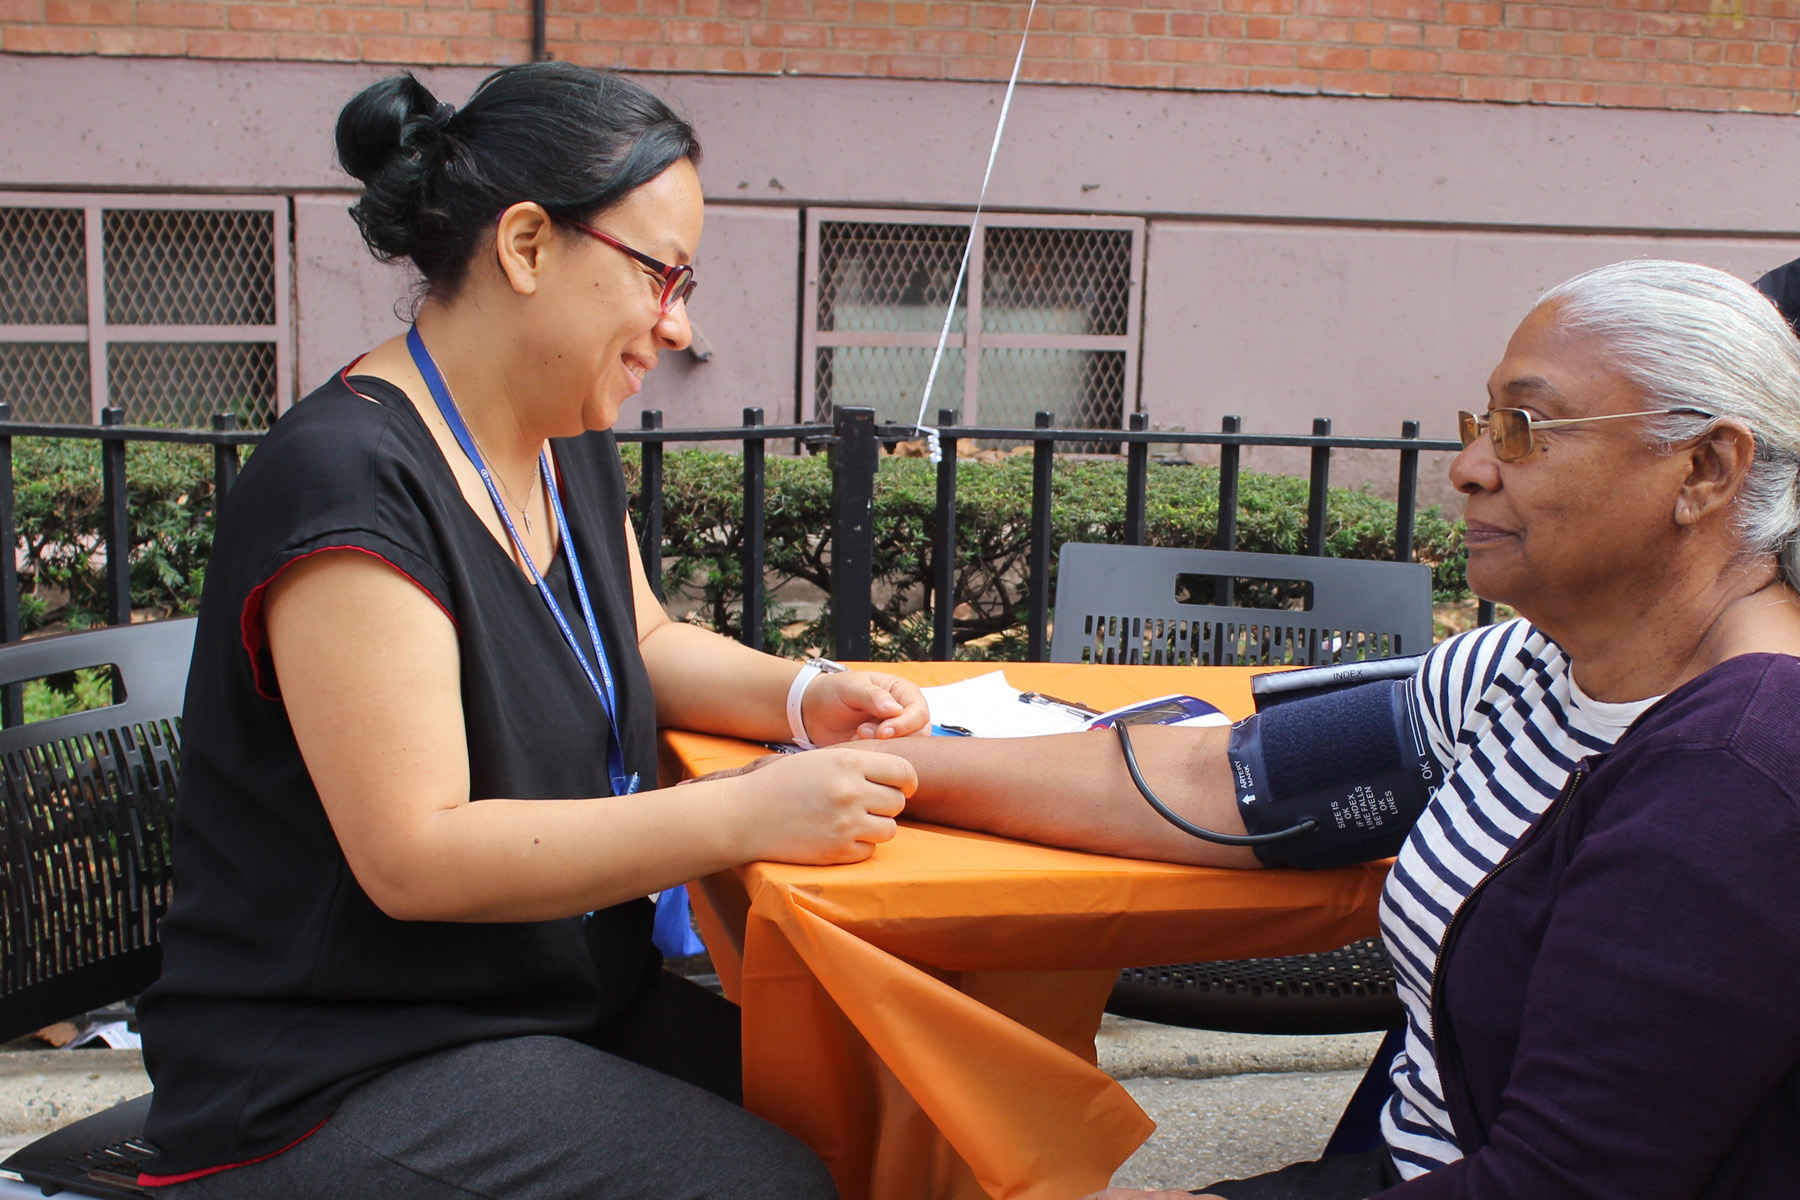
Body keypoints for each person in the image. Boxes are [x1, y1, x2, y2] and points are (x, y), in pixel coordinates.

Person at [824, 259, 1800, 1198]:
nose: (1465, 469)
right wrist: (889, 766)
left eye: (1525, 428)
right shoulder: (1534, 664)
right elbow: (1233, 780)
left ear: (1707, 468)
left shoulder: (1739, 779)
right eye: (1483, 423)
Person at [135, 63, 929, 1200]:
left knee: (885, 1106)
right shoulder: (348, 483)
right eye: (662, 274)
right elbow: (416, 854)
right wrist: (746, 810)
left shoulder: (559, 440)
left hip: (539, 1003)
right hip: (335, 1069)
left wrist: (805, 698)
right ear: (525, 245)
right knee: (782, 1184)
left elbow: (639, 644)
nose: (680, 323)